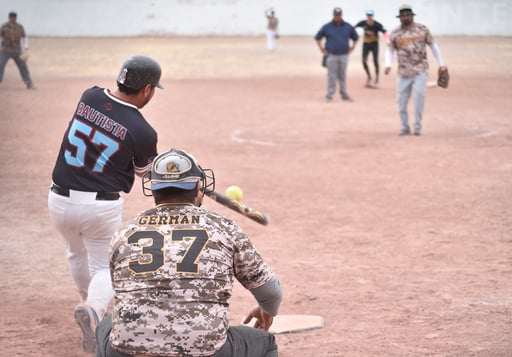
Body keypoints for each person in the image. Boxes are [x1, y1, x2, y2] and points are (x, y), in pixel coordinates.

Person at [92, 148, 282, 356]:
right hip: (206, 351)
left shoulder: (124, 232)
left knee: (105, 326)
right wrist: (267, 310)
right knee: (265, 343)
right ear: (199, 187)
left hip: (128, 351)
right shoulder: (224, 228)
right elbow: (270, 292)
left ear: (153, 190)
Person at [47, 55, 163, 353]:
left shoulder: (90, 96)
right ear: (147, 90)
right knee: (106, 267)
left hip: (58, 200)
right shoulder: (143, 131)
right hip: (100, 207)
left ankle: (89, 303)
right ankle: (95, 309)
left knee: (76, 253)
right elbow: (144, 172)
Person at [384, 4, 446, 136]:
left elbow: (433, 46)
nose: (405, 17)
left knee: (419, 97)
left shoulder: (422, 29)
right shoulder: (395, 33)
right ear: (400, 17)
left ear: (412, 16)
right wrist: (388, 64)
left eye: (407, 15)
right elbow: (390, 50)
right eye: (403, 15)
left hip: (420, 70)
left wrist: (441, 64)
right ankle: (405, 127)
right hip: (403, 72)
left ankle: (417, 126)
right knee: (401, 102)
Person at [315, 7, 359, 102]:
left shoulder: (348, 26)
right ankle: (329, 95)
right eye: (335, 15)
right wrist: (322, 49)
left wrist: (352, 48)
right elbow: (317, 37)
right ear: (333, 15)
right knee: (331, 76)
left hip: (344, 55)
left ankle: (344, 94)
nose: (337, 17)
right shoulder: (327, 27)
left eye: (338, 15)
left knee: (342, 75)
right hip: (331, 55)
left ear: (341, 15)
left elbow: (355, 37)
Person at [354, 10, 390, 87]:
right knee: (364, 61)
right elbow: (354, 27)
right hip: (366, 44)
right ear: (366, 16)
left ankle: (376, 78)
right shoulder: (363, 23)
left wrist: (387, 40)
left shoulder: (377, 25)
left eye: (371, 15)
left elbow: (385, 32)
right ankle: (369, 76)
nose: (369, 17)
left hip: (374, 44)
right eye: (368, 15)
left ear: (372, 16)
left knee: (375, 61)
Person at [0, 11, 35, 89]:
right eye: (11, 18)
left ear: (16, 18)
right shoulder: (4, 27)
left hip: (17, 50)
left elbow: (24, 37)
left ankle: (28, 82)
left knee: (23, 66)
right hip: (5, 50)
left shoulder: (19, 27)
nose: (13, 19)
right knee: (0, 65)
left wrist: (26, 47)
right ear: (9, 18)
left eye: (14, 18)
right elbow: (1, 37)